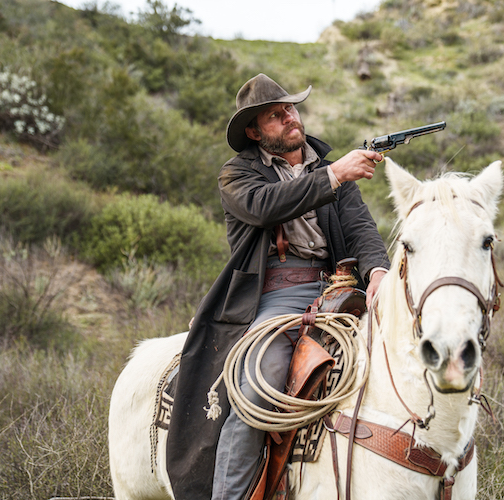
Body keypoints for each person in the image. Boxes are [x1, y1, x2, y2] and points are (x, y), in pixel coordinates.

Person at [166, 73, 390, 500]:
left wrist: (377, 271)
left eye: (290, 108)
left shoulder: (324, 166)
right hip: (275, 296)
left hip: (340, 288)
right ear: (254, 132)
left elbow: (361, 229)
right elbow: (264, 207)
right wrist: (335, 176)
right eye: (275, 115)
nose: (289, 117)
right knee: (259, 387)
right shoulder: (237, 175)